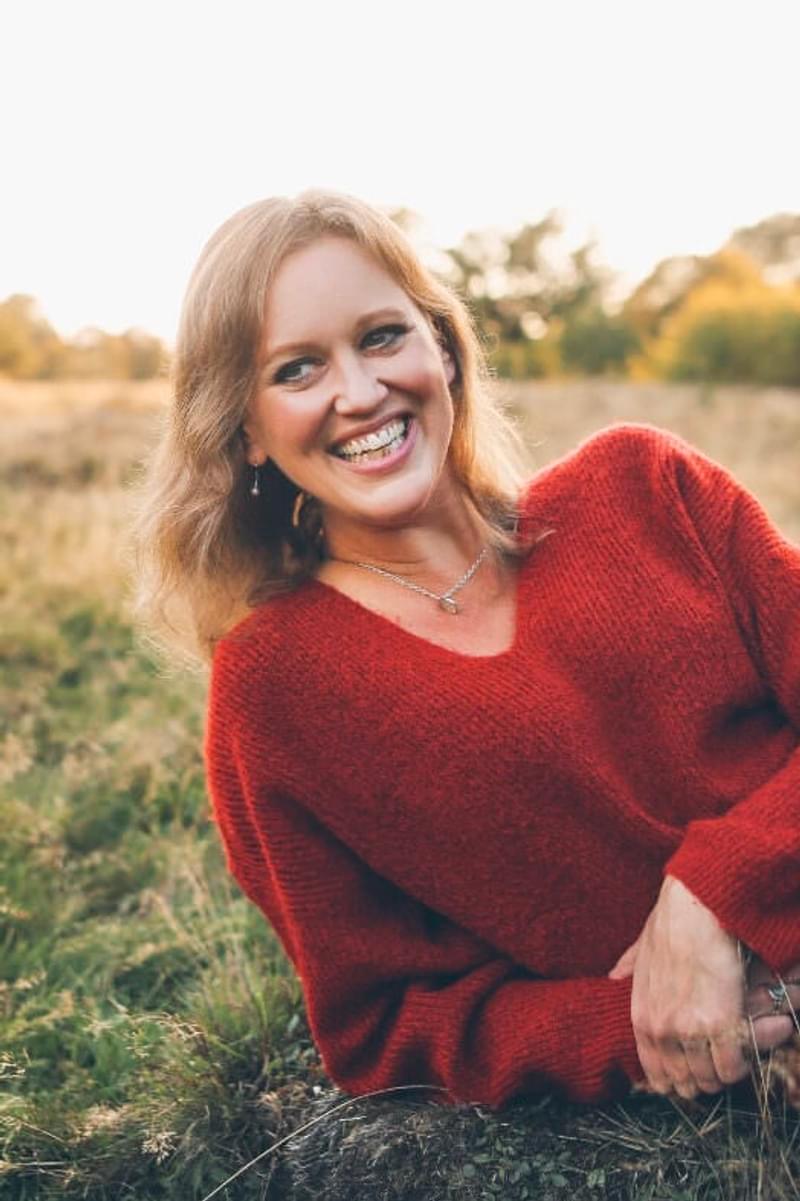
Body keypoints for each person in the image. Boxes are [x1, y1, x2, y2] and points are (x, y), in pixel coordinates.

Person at [133, 189, 800, 1111]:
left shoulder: (644, 488)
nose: (359, 393)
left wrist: (714, 889)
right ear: (244, 428)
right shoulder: (276, 691)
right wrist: (637, 1032)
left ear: (442, 347)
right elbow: (385, 1025)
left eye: (379, 337)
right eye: (295, 369)